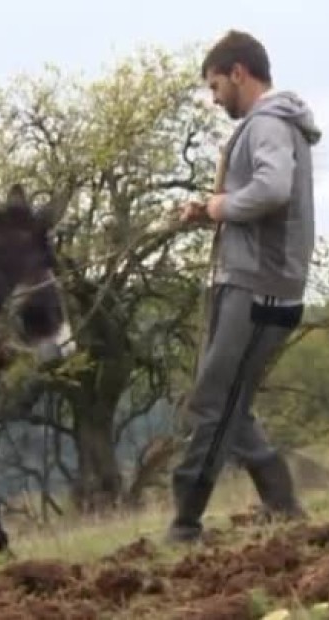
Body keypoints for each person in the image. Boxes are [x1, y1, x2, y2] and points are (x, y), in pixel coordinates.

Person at [167, 29, 322, 543]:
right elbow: (256, 197)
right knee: (226, 399)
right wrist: (207, 213)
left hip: (260, 290)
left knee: (214, 403)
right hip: (256, 285)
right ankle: (282, 504)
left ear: (239, 73)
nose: (214, 99)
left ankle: (185, 523)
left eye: (215, 86)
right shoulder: (269, 125)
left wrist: (221, 206)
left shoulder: (268, 124)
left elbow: (273, 188)